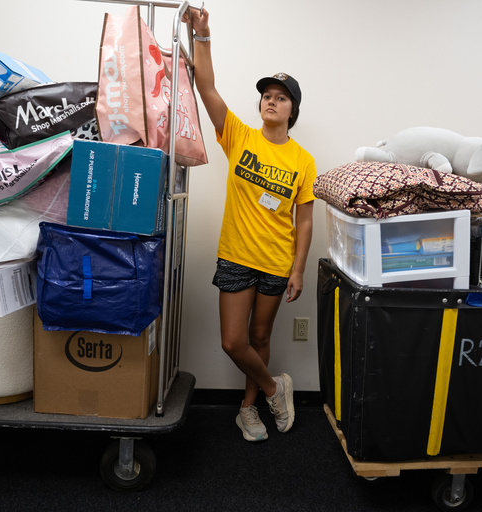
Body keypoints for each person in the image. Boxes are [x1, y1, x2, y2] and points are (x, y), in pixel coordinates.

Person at [184, 7, 316, 442]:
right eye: (266, 95)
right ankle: (275, 388)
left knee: (260, 337)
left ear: (292, 110)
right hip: (237, 256)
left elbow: (305, 219)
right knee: (233, 342)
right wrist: (203, 37)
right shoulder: (239, 136)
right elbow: (206, 88)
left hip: (277, 262)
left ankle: (247, 410)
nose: (270, 100)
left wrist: (298, 268)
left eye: (280, 96)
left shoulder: (303, 160)